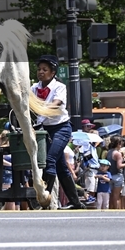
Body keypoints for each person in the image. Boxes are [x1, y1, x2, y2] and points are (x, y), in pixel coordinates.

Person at [32, 55, 83, 209]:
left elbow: (56, 103)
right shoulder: (33, 88)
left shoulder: (59, 87)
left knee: (49, 160)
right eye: (39, 69)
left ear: (52, 72)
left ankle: (44, 199)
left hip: (61, 128)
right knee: (60, 167)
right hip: (44, 130)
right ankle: (76, 203)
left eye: (45, 69)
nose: (41, 72)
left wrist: (41, 110)